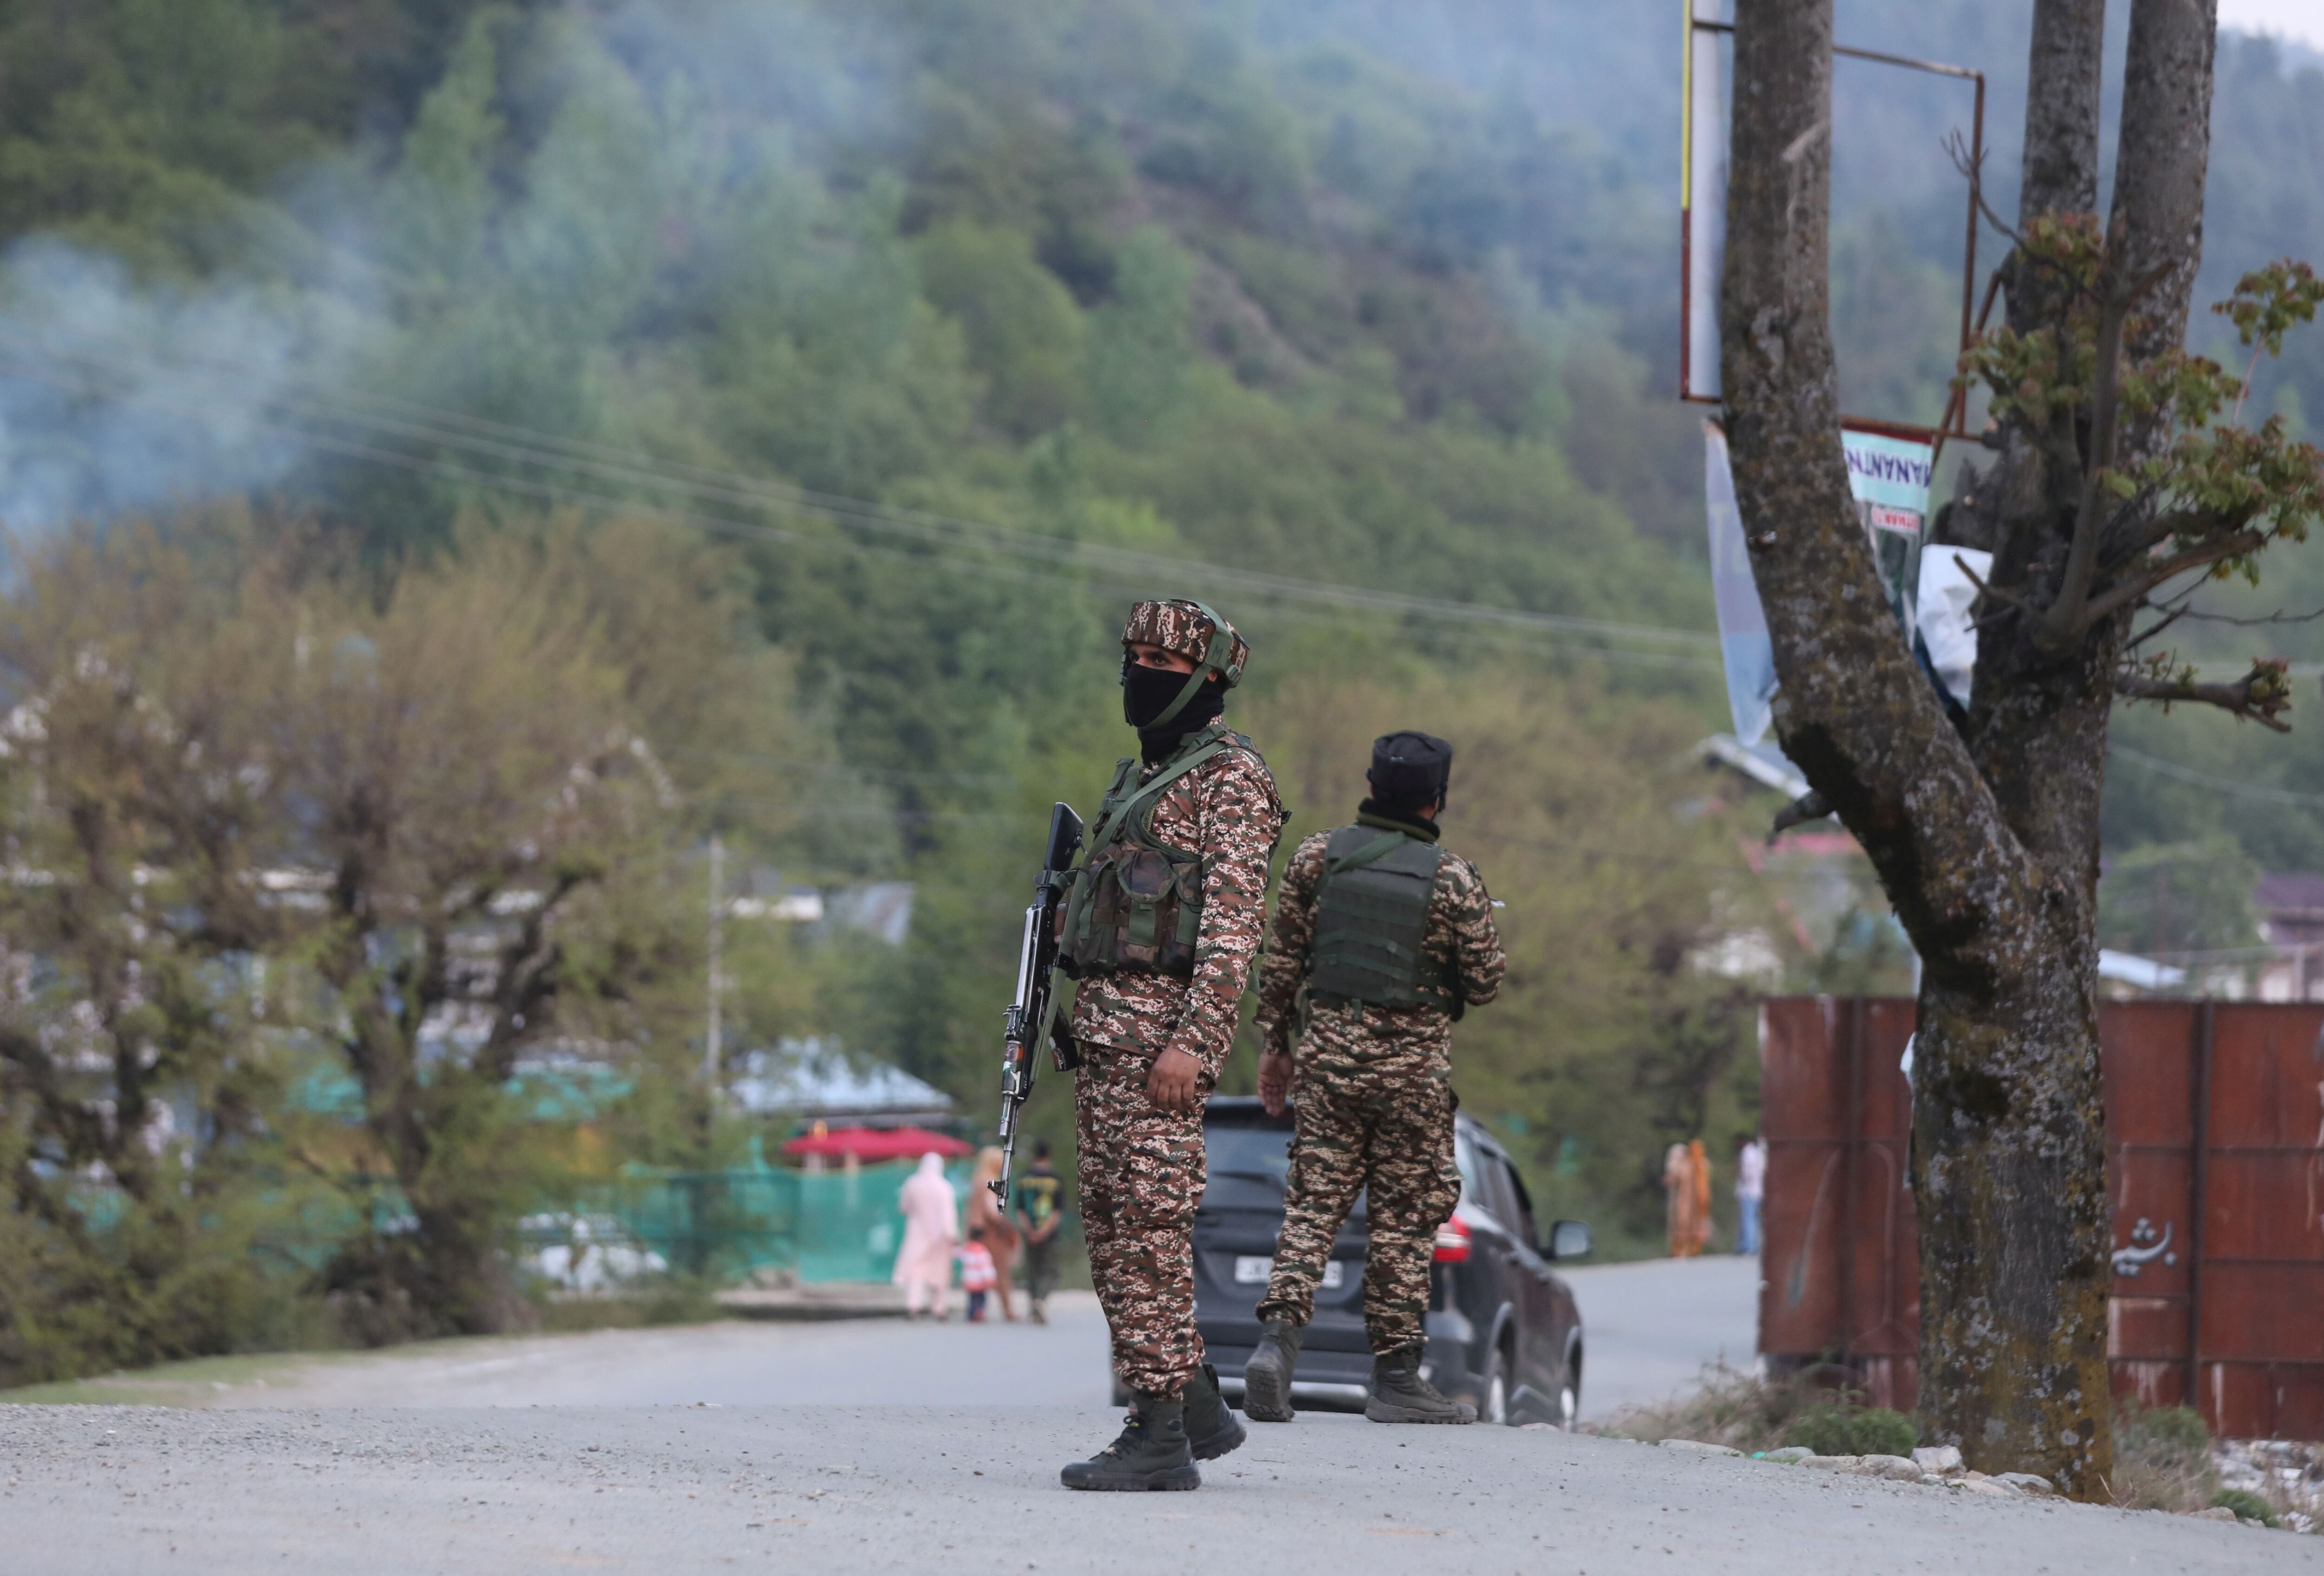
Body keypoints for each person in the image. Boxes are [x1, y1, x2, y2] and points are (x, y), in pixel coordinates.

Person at [1054, 598, 1285, 1491]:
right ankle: (1193, 1403)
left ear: (1211, 677)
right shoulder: (1141, 778)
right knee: (1112, 1236)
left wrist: (1194, 1044)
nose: (1142, 669)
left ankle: (1158, 1437)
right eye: (1134, 652)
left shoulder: (1229, 779)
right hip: (1109, 1045)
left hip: (1161, 1051)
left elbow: (1233, 931)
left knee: (1149, 1237)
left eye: (1163, 656)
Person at [1243, 730, 1505, 1426]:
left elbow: (1282, 960)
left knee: (1313, 1206)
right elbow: (1484, 983)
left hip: (1328, 1058)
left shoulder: (1315, 858)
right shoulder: (1452, 878)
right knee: (1403, 1219)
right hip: (1413, 1070)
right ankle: (1395, 1376)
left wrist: (1277, 1045)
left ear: (1371, 783)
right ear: (1436, 798)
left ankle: (1277, 1343)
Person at [893, 1151, 958, 1319]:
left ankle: (913, 1305)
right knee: (940, 1272)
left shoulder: (912, 1184)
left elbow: (904, 1207)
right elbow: (948, 1214)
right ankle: (939, 1308)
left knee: (916, 1271)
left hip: (917, 1234)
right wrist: (952, 1234)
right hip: (940, 1236)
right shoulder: (944, 1187)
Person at [1011, 1140, 1066, 1325]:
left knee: (1033, 1269)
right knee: (1050, 1270)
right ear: (1049, 1154)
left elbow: (1020, 1209)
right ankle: (1041, 1300)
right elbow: (1057, 1210)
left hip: (1029, 1231)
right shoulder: (1055, 1179)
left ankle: (1034, 1304)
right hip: (1048, 1233)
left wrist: (1030, 1231)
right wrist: (1044, 1231)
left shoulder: (1024, 1178)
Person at [968, 1146, 1022, 1321]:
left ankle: (976, 1308)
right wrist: (1007, 1225)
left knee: (978, 1272)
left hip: (977, 1233)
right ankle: (1008, 1309)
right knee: (1001, 1272)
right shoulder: (990, 1182)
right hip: (992, 1235)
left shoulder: (977, 1181)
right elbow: (992, 1211)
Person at [1664, 1139, 1711, 1258]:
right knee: (1685, 1223)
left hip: (1690, 1202)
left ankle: (1687, 1249)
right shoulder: (1700, 1164)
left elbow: (1673, 1179)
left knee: (1683, 1223)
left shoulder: (1694, 1165)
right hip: (1691, 1201)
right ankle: (1686, 1249)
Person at [1735, 1134, 1766, 1256]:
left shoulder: (1747, 1153)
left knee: (1748, 1220)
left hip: (1749, 1191)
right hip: (1759, 1191)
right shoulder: (1759, 1153)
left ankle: (1749, 1246)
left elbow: (1746, 1173)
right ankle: (1752, 1245)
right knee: (1756, 1220)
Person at [959, 1227, 998, 1322]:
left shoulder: (967, 1249)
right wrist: (990, 1278)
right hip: (980, 1280)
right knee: (981, 1298)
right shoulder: (982, 1251)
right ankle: (979, 1312)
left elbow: (959, 1255)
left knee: (972, 1298)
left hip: (970, 1279)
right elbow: (985, 1266)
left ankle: (972, 1313)